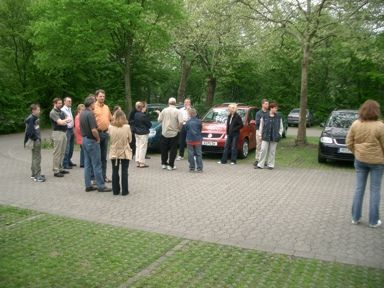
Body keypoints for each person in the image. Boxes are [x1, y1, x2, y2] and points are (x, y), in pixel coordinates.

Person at [347, 100, 384, 228]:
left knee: (359, 189)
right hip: (378, 163)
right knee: (375, 190)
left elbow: (348, 142)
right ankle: (373, 221)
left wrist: (356, 153)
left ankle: (355, 218)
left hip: (360, 160)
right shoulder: (380, 126)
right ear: (376, 111)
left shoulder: (356, 124)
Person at [80, 95, 112, 192]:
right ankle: (101, 186)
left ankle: (88, 185)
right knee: (97, 164)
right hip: (92, 140)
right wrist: (97, 138)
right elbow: (94, 130)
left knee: (87, 163)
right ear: (91, 104)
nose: (95, 105)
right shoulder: (90, 114)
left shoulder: (82, 113)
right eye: (94, 103)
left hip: (84, 139)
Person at [108, 110, 133, 195]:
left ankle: (115, 190)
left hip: (114, 151)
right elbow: (130, 139)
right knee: (124, 171)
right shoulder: (127, 127)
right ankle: (125, 191)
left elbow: (109, 138)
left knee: (114, 171)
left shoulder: (110, 127)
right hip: (124, 151)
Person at [157, 97, 183, 171]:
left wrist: (159, 114)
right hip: (174, 133)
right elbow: (181, 122)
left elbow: (159, 120)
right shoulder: (178, 111)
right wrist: (179, 128)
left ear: (168, 103)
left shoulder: (164, 110)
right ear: (175, 103)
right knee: (173, 150)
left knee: (164, 149)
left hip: (164, 132)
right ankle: (171, 165)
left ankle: (164, 163)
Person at [256, 102, 283, 170]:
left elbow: (281, 127)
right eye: (275, 108)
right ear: (271, 108)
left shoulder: (278, 117)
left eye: (276, 108)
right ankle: (260, 164)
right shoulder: (264, 116)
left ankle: (271, 165)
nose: (276, 110)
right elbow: (261, 126)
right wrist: (260, 135)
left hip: (274, 136)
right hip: (265, 136)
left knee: (272, 151)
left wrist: (279, 134)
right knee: (263, 150)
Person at [93, 89, 112, 183]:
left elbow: (110, 119)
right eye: (100, 96)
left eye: (103, 96)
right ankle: (96, 178)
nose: (102, 98)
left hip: (105, 134)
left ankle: (104, 176)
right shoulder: (93, 107)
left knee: (104, 157)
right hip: (96, 134)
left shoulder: (106, 107)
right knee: (96, 157)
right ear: (96, 97)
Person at [50, 98, 71, 177]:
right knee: (57, 152)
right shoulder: (53, 112)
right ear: (54, 104)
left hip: (63, 132)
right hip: (57, 133)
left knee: (62, 152)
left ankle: (60, 168)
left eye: (61, 103)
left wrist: (64, 120)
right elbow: (61, 122)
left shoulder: (61, 112)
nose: (60, 105)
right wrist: (65, 120)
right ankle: (56, 170)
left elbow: (69, 119)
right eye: (59, 103)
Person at [24, 104, 45, 182]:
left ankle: (34, 174)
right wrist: (36, 139)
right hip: (35, 141)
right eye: (38, 110)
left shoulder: (34, 118)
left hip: (36, 140)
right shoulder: (31, 119)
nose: (39, 111)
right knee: (37, 158)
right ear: (33, 110)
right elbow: (29, 132)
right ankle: (37, 176)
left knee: (34, 157)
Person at [134, 101, 152, 168]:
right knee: (143, 148)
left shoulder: (136, 114)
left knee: (138, 147)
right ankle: (142, 162)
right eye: (145, 107)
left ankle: (138, 161)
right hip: (143, 133)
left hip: (137, 133)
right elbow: (149, 124)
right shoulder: (143, 115)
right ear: (142, 108)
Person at [185, 108, 203, 172]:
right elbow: (200, 129)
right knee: (198, 154)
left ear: (189, 114)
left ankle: (191, 168)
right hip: (197, 139)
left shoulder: (187, 122)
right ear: (195, 114)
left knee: (190, 154)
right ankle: (199, 168)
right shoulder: (199, 121)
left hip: (189, 139)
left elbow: (186, 129)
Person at [254, 99, 269, 167]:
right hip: (259, 131)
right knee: (259, 146)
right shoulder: (258, 113)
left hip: (266, 132)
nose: (267, 105)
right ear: (262, 104)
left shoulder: (269, 113)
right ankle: (257, 160)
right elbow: (257, 122)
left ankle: (264, 161)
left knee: (265, 147)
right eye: (266, 104)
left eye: (268, 104)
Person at [62, 97, 76, 169]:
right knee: (67, 147)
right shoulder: (63, 110)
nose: (70, 102)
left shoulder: (69, 109)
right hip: (67, 129)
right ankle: (65, 163)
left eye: (70, 101)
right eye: (68, 101)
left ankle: (69, 160)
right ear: (64, 102)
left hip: (71, 129)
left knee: (71, 147)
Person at [74, 104, 85, 168]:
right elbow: (78, 127)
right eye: (82, 110)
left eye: (84, 110)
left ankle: (83, 162)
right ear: (78, 110)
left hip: (82, 135)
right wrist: (84, 132)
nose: (83, 111)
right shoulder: (78, 117)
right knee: (83, 149)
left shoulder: (81, 116)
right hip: (81, 135)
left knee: (83, 149)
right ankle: (82, 163)